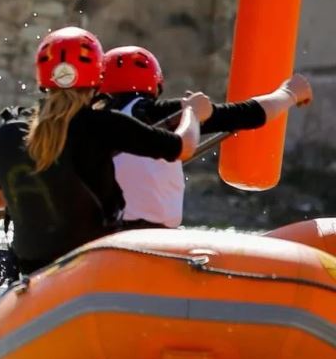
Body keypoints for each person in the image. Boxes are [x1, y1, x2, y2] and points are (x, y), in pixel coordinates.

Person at [0, 27, 202, 275]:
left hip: (33, 272)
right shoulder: (106, 124)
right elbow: (184, 147)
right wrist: (192, 112)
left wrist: (39, 199)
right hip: (92, 268)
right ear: (97, 76)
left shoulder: (16, 129)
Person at [100, 46, 313, 229]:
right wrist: (289, 93)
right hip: (155, 236)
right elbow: (247, 114)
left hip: (104, 235)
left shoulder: (93, 119)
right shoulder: (171, 113)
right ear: (155, 85)